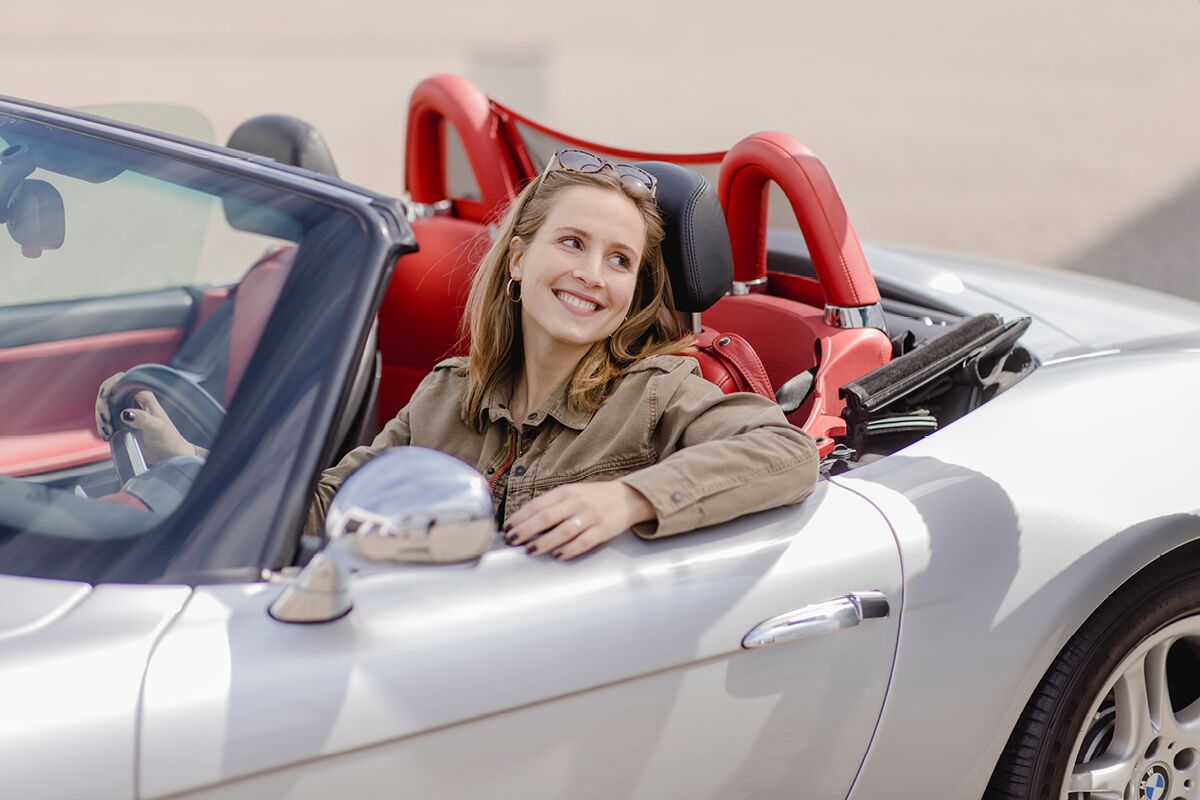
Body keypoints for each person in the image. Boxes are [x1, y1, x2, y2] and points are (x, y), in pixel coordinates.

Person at [99, 149, 819, 560]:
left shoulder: (659, 390)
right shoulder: (449, 395)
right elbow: (331, 504)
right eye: (571, 243)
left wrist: (627, 497)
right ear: (517, 258)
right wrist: (186, 460)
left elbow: (785, 454)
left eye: (619, 261)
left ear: (634, 292)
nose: (591, 276)